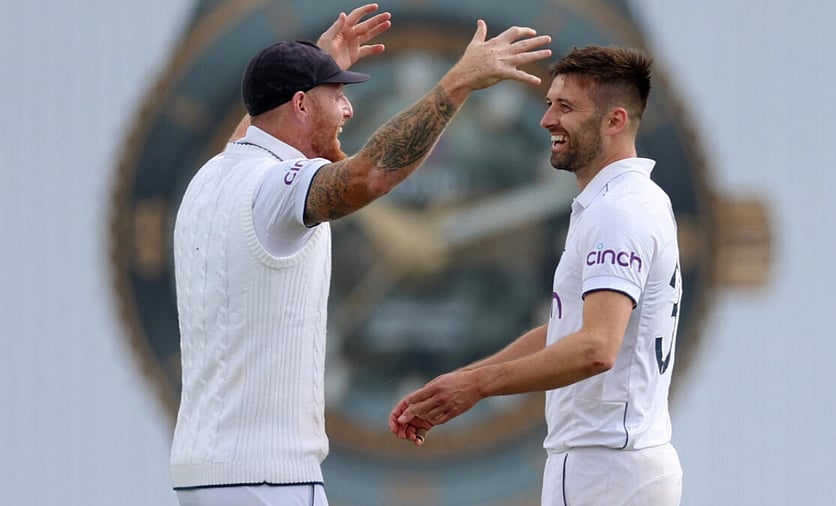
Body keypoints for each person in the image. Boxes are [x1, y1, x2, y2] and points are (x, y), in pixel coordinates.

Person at [169, 2, 552, 505]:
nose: (349, 110)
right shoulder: (277, 189)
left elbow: (258, 130)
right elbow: (370, 174)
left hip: (203, 471)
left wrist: (310, 62)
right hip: (267, 479)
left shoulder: (211, 178)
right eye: (337, 95)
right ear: (302, 105)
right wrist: (456, 83)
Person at [389, 45, 683, 506]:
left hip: (605, 466)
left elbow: (595, 348)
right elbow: (570, 331)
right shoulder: (622, 202)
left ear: (615, 121)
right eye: (549, 104)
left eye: (565, 107)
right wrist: (465, 380)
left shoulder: (619, 212)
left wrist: (479, 385)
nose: (547, 120)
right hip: (609, 461)